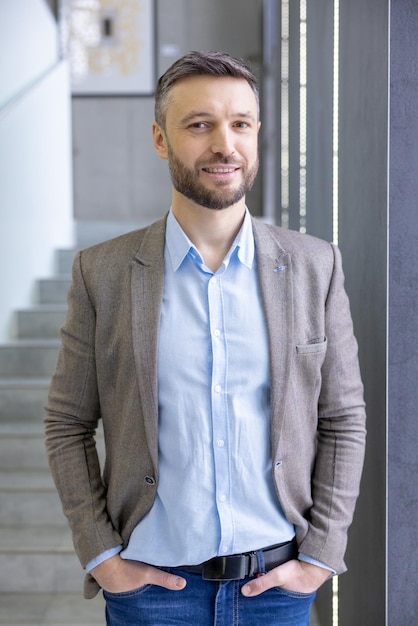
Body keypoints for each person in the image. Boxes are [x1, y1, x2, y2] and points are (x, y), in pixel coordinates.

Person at [45, 51, 366, 626]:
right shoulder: (104, 273)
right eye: (200, 125)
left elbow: (342, 417)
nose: (225, 144)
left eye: (240, 123)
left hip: (277, 590)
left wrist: (321, 555)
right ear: (161, 139)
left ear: (257, 133)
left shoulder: (316, 266)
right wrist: (102, 555)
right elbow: (67, 423)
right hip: (149, 593)